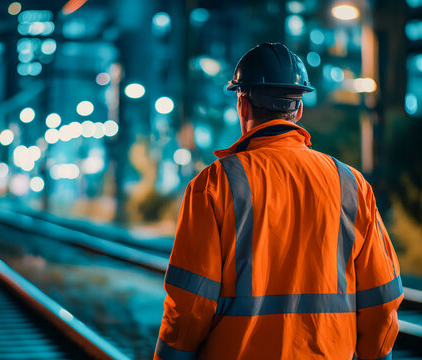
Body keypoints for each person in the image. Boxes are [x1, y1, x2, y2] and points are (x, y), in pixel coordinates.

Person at [154, 42, 403, 360]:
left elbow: (190, 307)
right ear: (298, 110)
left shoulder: (214, 185)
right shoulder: (352, 185)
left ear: (242, 104)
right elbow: (381, 300)